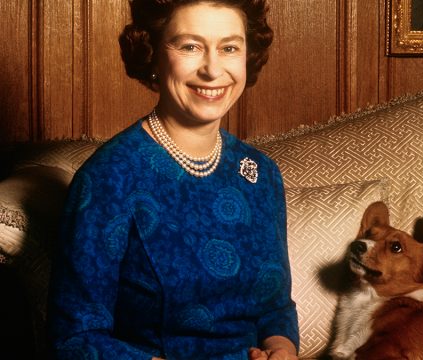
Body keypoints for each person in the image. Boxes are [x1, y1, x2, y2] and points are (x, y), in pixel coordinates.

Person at [47, 0, 299, 359]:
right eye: (190, 47)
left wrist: (282, 348)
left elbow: (276, 308)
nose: (213, 70)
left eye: (229, 48)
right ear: (153, 55)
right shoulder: (108, 178)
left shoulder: (261, 173)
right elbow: (74, 338)